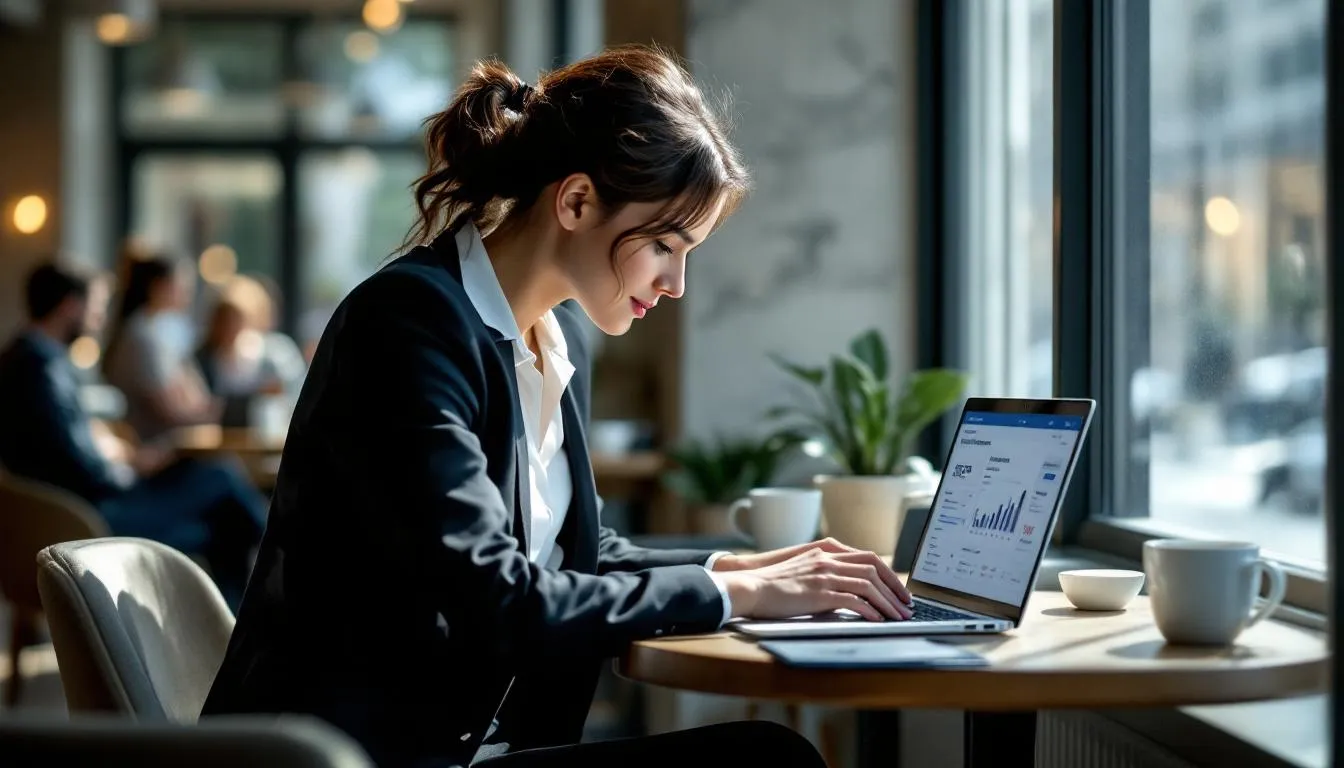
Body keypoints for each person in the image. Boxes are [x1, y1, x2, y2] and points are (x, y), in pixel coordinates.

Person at [202, 46, 912, 768]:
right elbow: (500, 600)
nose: (676, 284)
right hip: (369, 754)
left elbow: (576, 553)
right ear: (575, 202)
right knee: (766, 760)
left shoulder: (553, 336)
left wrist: (744, 567)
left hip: (470, 745)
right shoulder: (409, 322)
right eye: (665, 244)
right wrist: (741, 593)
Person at [0, 261, 268, 608]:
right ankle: (288, 560)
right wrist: (133, 467)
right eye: (96, 307)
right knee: (221, 477)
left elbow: (61, 445)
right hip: (90, 515)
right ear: (70, 306)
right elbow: (84, 468)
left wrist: (119, 454)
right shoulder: (41, 368)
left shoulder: (26, 359)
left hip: (68, 508)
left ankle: (233, 639)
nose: (99, 319)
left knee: (226, 521)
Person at [103, 253, 219, 442]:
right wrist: (213, 415)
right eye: (181, 285)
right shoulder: (143, 337)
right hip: (154, 448)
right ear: (158, 287)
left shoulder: (164, 332)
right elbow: (168, 410)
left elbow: (196, 397)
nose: (188, 293)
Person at [195, 276, 307, 426]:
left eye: (236, 320)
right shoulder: (206, 358)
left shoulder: (277, 354)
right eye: (225, 320)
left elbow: (295, 397)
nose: (230, 329)